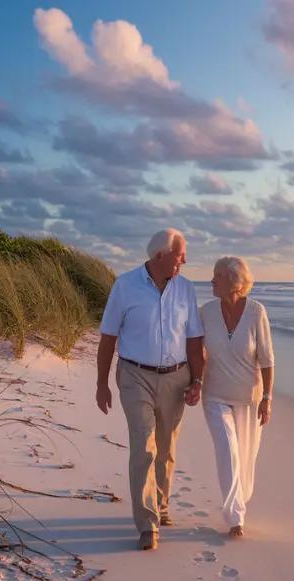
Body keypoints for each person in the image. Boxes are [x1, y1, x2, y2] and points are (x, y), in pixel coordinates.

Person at [96, 228, 204, 551]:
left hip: (176, 377)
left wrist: (197, 380)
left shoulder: (186, 289)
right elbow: (108, 337)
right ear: (161, 255)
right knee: (144, 445)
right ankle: (147, 524)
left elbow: (195, 339)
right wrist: (102, 383)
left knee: (166, 448)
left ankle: (160, 503)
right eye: (180, 255)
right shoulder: (125, 286)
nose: (185, 260)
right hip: (135, 376)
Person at [189, 256, 274, 538]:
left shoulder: (256, 312)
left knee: (246, 460)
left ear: (235, 282)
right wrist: (195, 381)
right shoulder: (206, 312)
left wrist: (268, 398)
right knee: (228, 451)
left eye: (218, 276)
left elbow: (267, 359)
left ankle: (239, 499)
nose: (212, 280)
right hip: (214, 394)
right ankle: (236, 518)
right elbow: (197, 352)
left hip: (249, 397)